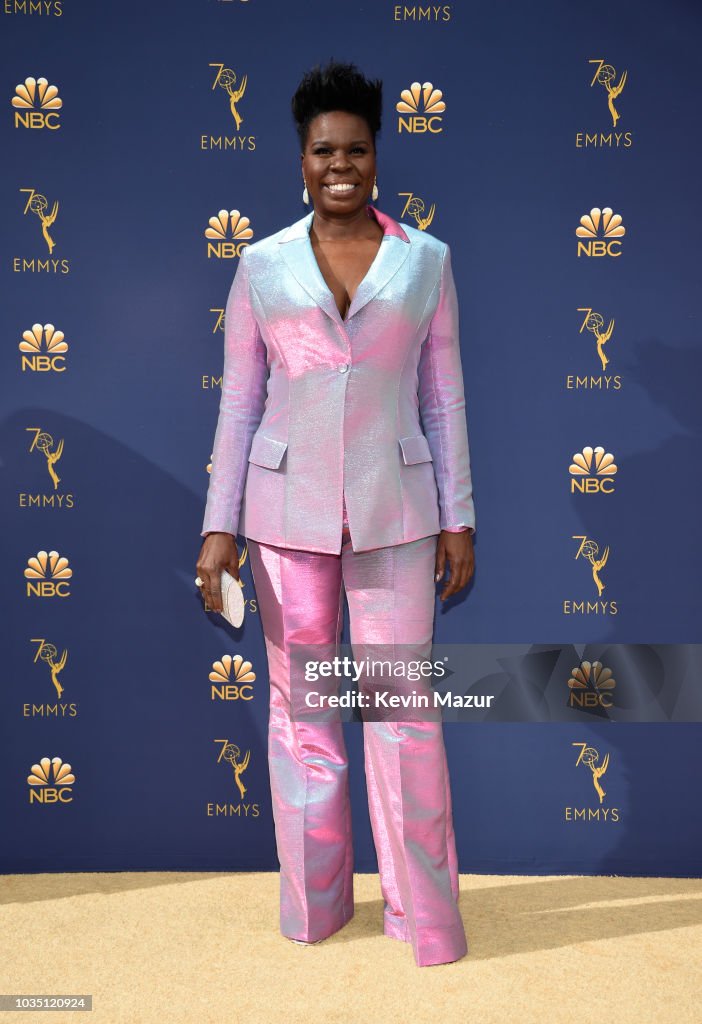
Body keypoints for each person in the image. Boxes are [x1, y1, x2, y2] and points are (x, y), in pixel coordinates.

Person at [195, 60, 476, 967]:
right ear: (302, 158)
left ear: (377, 155)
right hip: (285, 520)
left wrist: (459, 517)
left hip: (399, 517)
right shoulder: (261, 265)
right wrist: (218, 526)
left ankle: (424, 919)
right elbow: (239, 402)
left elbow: (445, 400)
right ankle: (316, 909)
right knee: (302, 713)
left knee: (403, 715)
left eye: (356, 148)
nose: (340, 164)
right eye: (324, 150)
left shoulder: (426, 260)